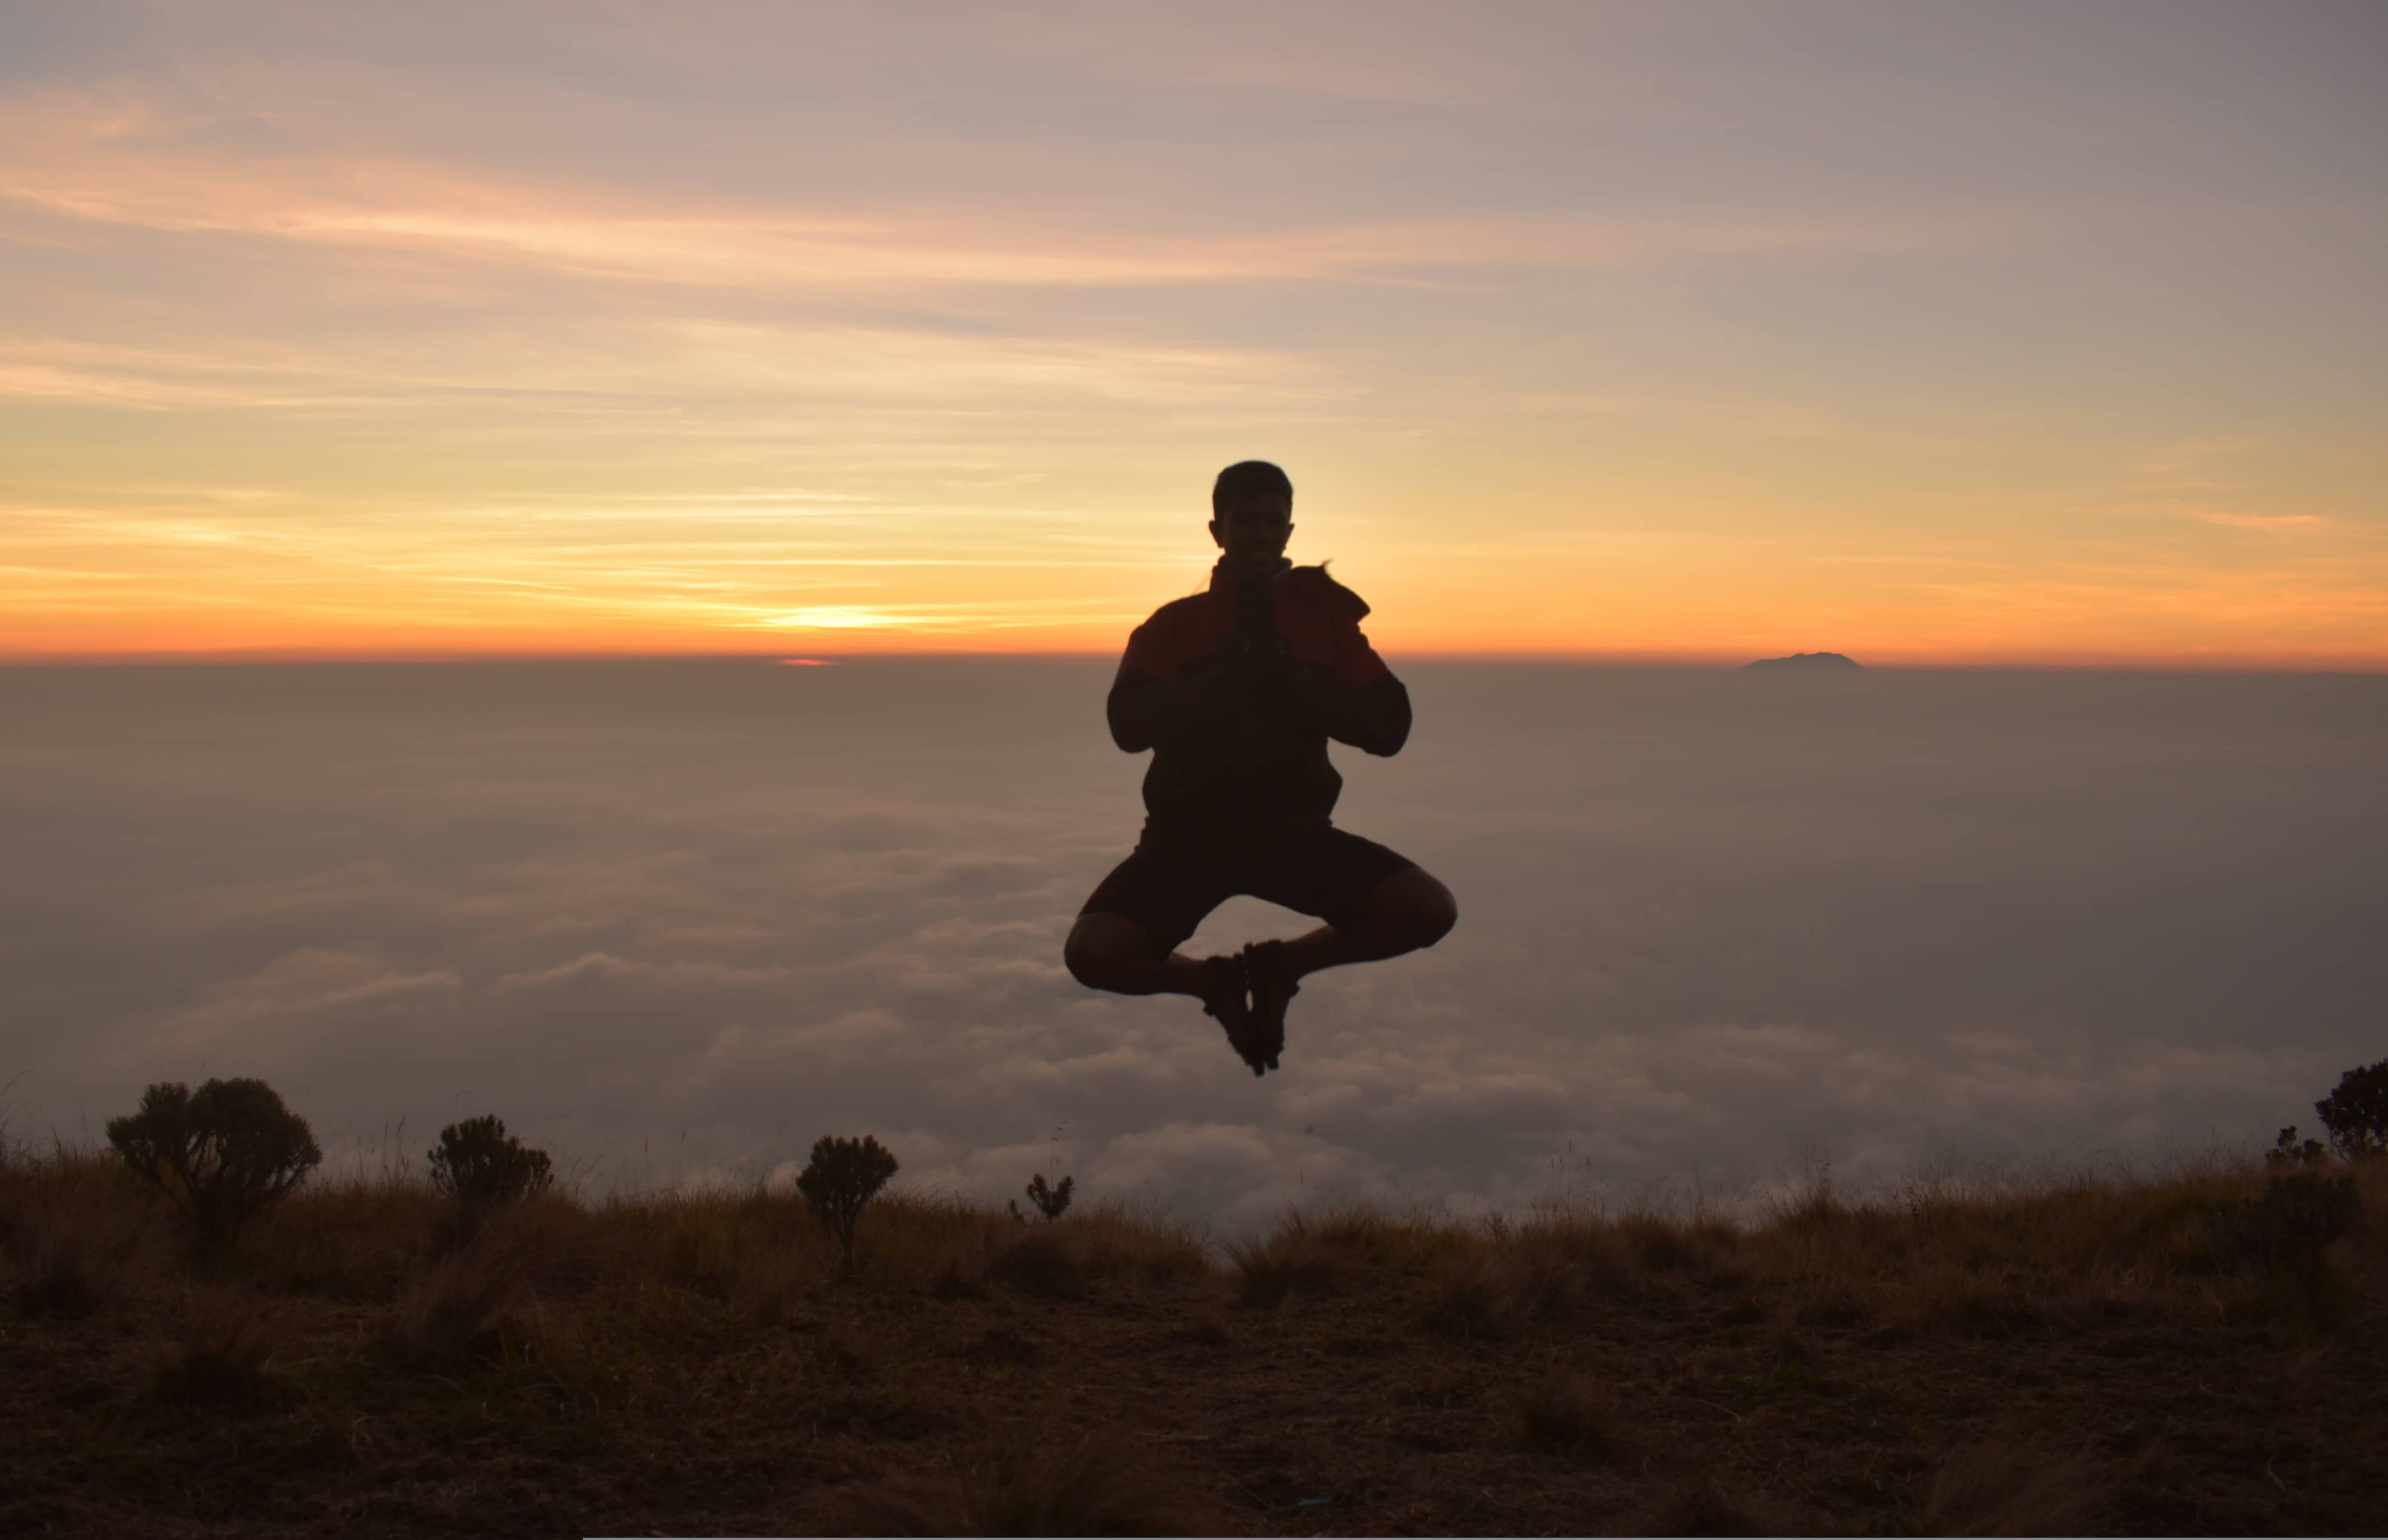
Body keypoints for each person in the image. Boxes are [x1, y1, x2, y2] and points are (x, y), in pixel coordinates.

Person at [1063, 460, 1458, 1074]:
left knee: (1429, 911)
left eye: (1273, 521)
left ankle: (1282, 968)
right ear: (1216, 530)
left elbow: (1388, 730)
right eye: (1245, 520)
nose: (1260, 533)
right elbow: (1127, 728)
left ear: (1289, 529)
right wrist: (1223, 685)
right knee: (1094, 956)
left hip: (1294, 837)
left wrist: (1296, 682)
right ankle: (1213, 985)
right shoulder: (1173, 626)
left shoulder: (1326, 625)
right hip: (1185, 844)